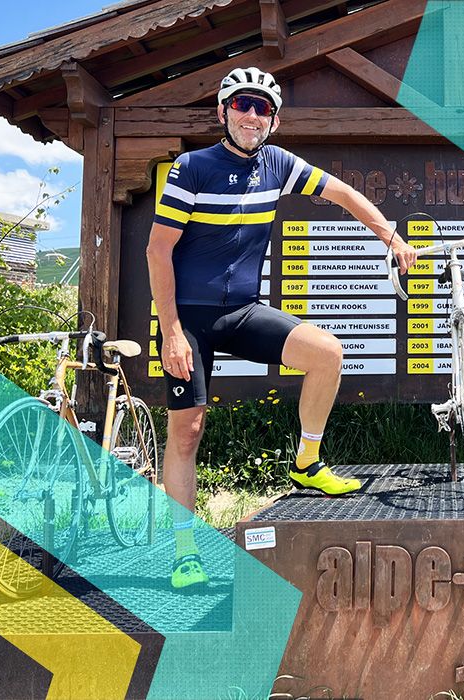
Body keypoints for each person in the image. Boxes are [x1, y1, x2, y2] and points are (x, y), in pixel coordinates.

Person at [146, 67, 417, 590]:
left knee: (327, 353)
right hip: (191, 318)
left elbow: (340, 193)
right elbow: (158, 250)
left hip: (243, 310)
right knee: (187, 430)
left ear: (273, 119)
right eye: (243, 105)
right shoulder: (193, 167)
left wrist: (388, 235)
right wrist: (172, 331)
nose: (252, 115)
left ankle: (307, 462)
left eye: (263, 108)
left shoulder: (278, 163)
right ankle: (182, 551)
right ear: (224, 111)